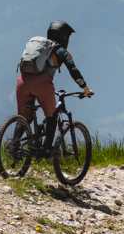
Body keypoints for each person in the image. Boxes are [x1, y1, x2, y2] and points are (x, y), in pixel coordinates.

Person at [15, 21, 94, 153]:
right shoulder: (61, 51)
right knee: (51, 116)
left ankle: (14, 146)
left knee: (24, 117)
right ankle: (47, 149)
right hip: (42, 85)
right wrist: (85, 88)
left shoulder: (40, 47)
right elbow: (73, 70)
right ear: (64, 37)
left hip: (22, 82)